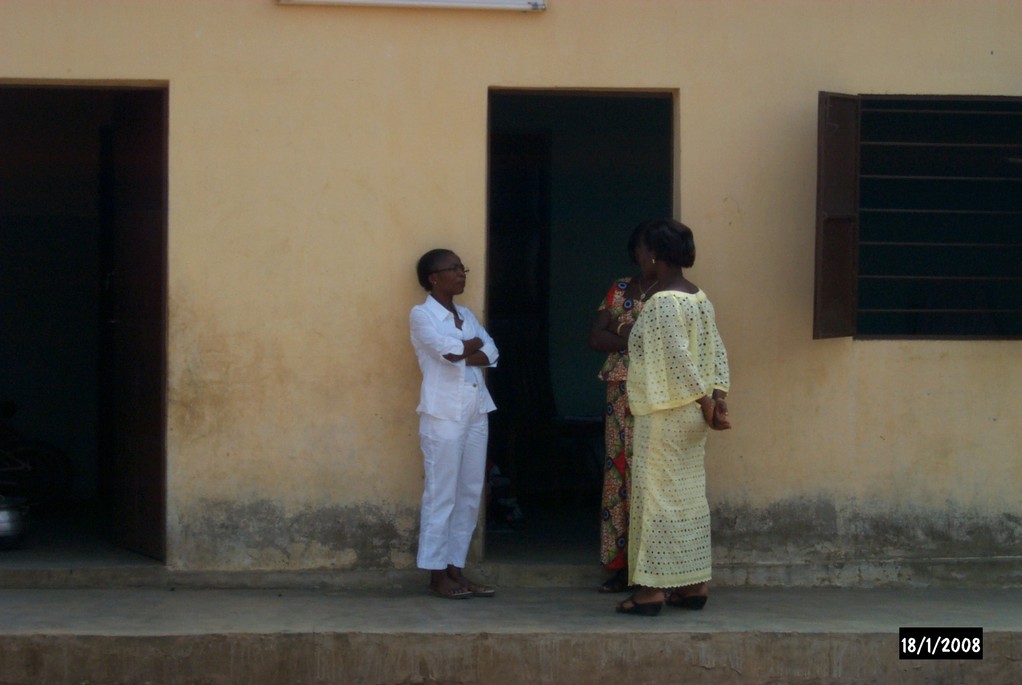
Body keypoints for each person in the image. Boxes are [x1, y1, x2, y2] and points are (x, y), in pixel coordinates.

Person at [614, 219, 731, 616]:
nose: (638, 257)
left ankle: (649, 592)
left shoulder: (664, 301)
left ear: (653, 255)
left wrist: (704, 402)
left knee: (655, 500)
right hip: (690, 419)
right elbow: (715, 351)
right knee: (687, 499)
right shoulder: (699, 297)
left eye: (642, 250)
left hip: (664, 414)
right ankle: (694, 585)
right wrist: (718, 399)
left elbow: (677, 361)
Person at [410, 248, 499, 600]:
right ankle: (436, 575)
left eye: (463, 268)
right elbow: (446, 352)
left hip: (476, 408)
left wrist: (466, 347)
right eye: (453, 269)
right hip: (443, 413)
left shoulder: (465, 314)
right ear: (434, 278)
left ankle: (456, 571)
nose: (462, 274)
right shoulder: (421, 315)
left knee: (469, 492)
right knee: (441, 493)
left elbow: (491, 354)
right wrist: (469, 346)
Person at [587, 221, 661, 593]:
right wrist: (626, 335)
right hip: (620, 396)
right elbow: (594, 337)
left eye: (654, 248)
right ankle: (620, 566)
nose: (647, 255)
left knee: (652, 480)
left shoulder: (673, 293)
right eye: (642, 248)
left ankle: (654, 569)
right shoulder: (619, 289)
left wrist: (621, 335)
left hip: (660, 395)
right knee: (619, 480)